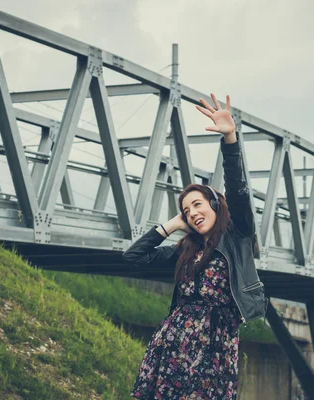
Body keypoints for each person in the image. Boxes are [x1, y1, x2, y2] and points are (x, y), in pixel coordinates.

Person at [124, 93, 268, 399]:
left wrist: (229, 138)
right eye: (186, 209)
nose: (193, 212)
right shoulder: (184, 251)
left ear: (215, 205)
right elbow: (134, 257)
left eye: (198, 204)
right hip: (175, 343)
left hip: (216, 345)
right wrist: (173, 225)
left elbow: (238, 187)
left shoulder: (237, 234)